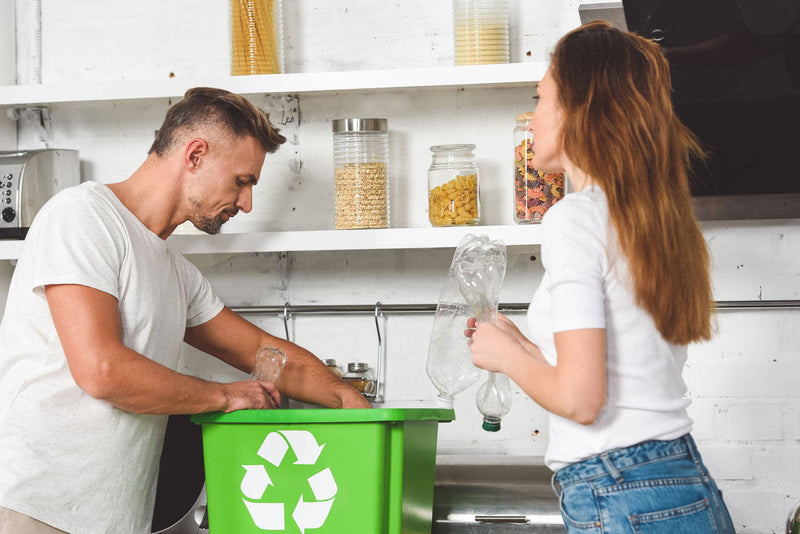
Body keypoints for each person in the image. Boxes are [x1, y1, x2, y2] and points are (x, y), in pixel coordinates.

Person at [0, 87, 370, 534]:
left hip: (116, 520)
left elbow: (263, 353)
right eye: (242, 181)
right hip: (38, 512)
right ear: (195, 154)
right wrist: (227, 395)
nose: (247, 203)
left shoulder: (177, 273)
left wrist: (351, 403)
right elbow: (102, 370)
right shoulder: (83, 217)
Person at [466, 22, 736, 533]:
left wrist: (505, 359)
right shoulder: (649, 217)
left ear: (574, 107)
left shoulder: (572, 219)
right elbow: (618, 371)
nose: (533, 116)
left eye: (540, 97)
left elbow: (581, 401)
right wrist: (517, 345)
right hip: (682, 480)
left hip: (620, 490)